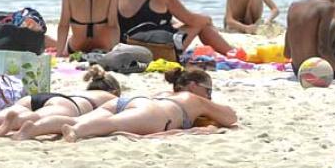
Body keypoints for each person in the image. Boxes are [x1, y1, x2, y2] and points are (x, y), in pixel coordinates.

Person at [38, 67, 237, 142]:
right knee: (113, 123)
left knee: (77, 119)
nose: (209, 96)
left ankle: (33, 128)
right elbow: (230, 117)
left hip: (131, 101)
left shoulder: (165, 93)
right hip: (151, 112)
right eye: (208, 90)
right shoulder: (195, 100)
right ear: (193, 85)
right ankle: (77, 132)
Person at [0, 68, 124, 138]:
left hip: (41, 97)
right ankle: (16, 121)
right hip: (68, 105)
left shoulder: (83, 91)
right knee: (35, 118)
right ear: (114, 91)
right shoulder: (111, 98)